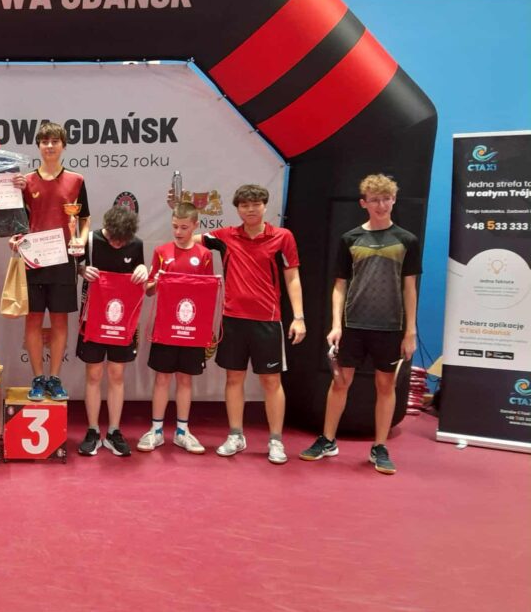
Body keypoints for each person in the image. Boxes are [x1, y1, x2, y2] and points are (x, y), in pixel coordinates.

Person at [300, 174, 420, 475]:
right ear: (363, 203)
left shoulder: (406, 240)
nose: (381, 205)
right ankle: (328, 440)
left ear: (394, 200)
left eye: (386, 199)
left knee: (385, 385)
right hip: (353, 325)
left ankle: (380, 447)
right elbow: (339, 285)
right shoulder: (350, 238)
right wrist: (336, 325)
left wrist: (410, 331)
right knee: (340, 382)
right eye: (375, 200)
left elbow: (409, 288)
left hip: (391, 327)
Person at [205, 184, 305, 464]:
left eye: (256, 204)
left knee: (271, 381)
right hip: (233, 320)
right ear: (237, 209)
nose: (250, 209)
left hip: (267, 321)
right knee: (233, 378)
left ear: (264, 206)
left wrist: (299, 317)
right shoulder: (224, 237)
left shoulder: (282, 237)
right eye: (245, 205)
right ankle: (236, 435)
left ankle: (276, 440)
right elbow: (187, 234)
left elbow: (292, 277)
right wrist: (176, 205)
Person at [10, 122, 89, 401]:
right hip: (33, 259)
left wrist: (81, 240)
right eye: (44, 141)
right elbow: (18, 220)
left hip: (63, 260)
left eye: (55, 141)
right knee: (32, 320)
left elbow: (84, 218)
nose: (50, 146)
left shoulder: (76, 180)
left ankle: (54, 378)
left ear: (63, 145)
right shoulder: (26, 181)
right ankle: (37, 378)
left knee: (59, 321)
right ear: (38, 146)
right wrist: (16, 238)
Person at [139, 201, 226, 454]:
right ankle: (156, 430)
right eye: (175, 226)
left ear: (195, 225)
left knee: (185, 379)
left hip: (191, 328)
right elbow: (148, 291)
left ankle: (182, 431)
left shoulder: (205, 255)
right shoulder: (161, 252)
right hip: (165, 327)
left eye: (184, 227)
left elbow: (207, 293)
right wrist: (156, 281)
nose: (178, 232)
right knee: (162, 378)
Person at [76, 206, 148, 457]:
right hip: (94, 319)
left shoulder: (136, 244)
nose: (118, 245)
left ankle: (114, 431)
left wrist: (143, 270)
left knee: (117, 374)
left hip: (121, 322)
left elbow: (142, 278)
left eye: (123, 241)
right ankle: (93, 430)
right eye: (114, 240)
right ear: (106, 230)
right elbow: (73, 266)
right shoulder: (91, 241)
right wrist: (81, 270)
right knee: (94, 373)